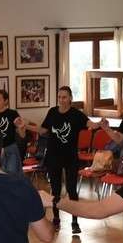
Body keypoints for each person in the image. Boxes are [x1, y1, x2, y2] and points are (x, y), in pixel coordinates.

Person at [34, 85, 90, 234]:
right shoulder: (52, 112)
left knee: (72, 189)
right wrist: (26, 126)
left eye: (64, 97)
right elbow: (43, 130)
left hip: (70, 157)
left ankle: (75, 221)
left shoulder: (76, 114)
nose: (61, 100)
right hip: (54, 156)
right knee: (56, 189)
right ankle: (56, 219)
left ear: (70, 98)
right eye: (59, 97)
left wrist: (100, 125)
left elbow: (89, 124)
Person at [0, 88, 26, 176]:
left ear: (6, 101)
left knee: (11, 176)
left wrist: (22, 127)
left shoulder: (13, 113)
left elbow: (22, 135)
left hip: (10, 150)